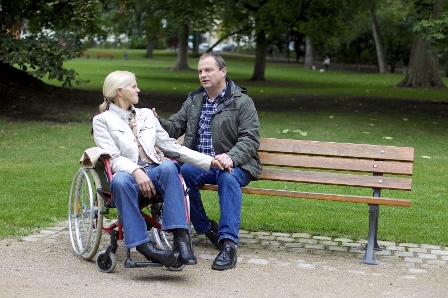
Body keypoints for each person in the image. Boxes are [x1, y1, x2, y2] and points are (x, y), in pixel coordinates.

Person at [92, 70, 225, 268]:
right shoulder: (102, 120)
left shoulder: (146, 115)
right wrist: (137, 171)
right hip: (127, 176)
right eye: (134, 86)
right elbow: (113, 158)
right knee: (119, 181)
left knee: (170, 166)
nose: (138, 90)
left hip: (153, 172)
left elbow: (172, 147)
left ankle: (181, 239)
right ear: (120, 91)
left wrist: (209, 161)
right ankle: (145, 247)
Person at [155, 53, 262, 271]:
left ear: (223, 71)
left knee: (228, 176)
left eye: (208, 70)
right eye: (200, 71)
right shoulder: (195, 100)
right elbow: (175, 127)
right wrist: (156, 122)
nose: (203, 75)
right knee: (181, 174)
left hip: (238, 164)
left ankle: (229, 244)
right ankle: (206, 228)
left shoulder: (242, 101)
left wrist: (231, 156)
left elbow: (250, 138)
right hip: (204, 164)